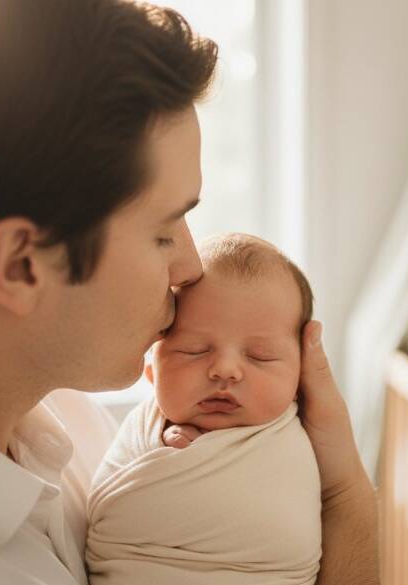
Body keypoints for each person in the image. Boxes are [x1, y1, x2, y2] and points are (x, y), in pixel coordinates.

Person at [0, 1, 379, 584]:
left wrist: (341, 488)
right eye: (164, 231)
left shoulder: (70, 423)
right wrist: (348, 502)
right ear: (21, 266)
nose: (190, 268)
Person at [86, 233, 322, 585]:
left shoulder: (305, 435)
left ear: (301, 372)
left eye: (260, 356)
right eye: (193, 350)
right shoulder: (142, 428)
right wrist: (166, 454)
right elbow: (112, 510)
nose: (225, 370)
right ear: (152, 372)